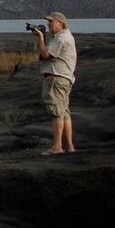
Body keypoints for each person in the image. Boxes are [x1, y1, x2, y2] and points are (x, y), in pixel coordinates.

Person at [32, 11, 77, 155]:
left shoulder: (61, 39)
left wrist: (40, 38)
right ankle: (69, 146)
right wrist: (44, 37)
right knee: (64, 112)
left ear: (60, 23)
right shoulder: (64, 37)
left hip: (56, 78)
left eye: (51, 22)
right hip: (64, 78)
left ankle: (57, 147)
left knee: (56, 111)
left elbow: (45, 55)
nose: (48, 24)